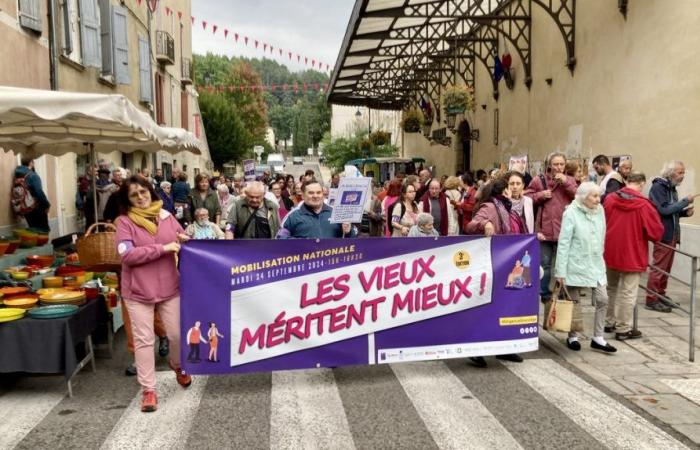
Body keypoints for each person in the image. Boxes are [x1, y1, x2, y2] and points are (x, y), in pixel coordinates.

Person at [115, 176, 191, 413]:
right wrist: (163, 248)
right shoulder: (124, 222)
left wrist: (186, 241)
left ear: (151, 192)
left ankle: (177, 365)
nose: (140, 197)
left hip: (169, 286)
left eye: (143, 191)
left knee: (177, 334)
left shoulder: (168, 218)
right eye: (134, 194)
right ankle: (149, 389)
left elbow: (181, 241)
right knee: (144, 341)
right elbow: (127, 255)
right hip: (137, 290)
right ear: (128, 200)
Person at [464, 176, 525, 365]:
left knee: (505, 307)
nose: (514, 189)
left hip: (508, 263)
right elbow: (470, 225)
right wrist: (485, 224)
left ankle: (504, 348)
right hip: (491, 262)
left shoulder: (509, 208)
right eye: (510, 187)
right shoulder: (490, 207)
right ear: (503, 191)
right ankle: (476, 349)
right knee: (487, 308)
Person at [555, 182, 617, 353]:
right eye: (594, 196)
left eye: (599, 196)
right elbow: (564, 243)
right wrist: (560, 271)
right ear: (583, 197)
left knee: (603, 298)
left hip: (595, 262)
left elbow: (602, 234)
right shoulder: (571, 213)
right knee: (574, 302)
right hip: (575, 262)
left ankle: (598, 337)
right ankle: (573, 336)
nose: (599, 200)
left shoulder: (600, 211)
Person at [604, 172, 664, 339]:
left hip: (611, 250)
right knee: (628, 292)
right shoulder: (644, 205)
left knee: (610, 288)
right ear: (642, 184)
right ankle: (623, 328)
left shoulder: (610, 199)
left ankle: (608, 322)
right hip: (633, 252)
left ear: (626, 181)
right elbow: (656, 233)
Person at [526, 152, 577, 302]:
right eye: (556, 164)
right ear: (549, 165)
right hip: (545, 230)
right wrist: (540, 195)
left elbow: (578, 196)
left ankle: (563, 292)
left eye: (561, 164)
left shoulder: (571, 180)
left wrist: (566, 182)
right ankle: (544, 293)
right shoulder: (538, 180)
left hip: (565, 230)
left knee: (564, 265)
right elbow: (526, 198)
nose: (559, 167)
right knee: (545, 264)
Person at [645, 161, 695, 312]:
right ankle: (651, 299)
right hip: (663, 233)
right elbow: (663, 210)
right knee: (659, 268)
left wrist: (684, 212)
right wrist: (685, 201)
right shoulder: (659, 187)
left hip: (672, 233)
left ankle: (661, 295)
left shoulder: (671, 188)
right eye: (680, 172)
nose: (683, 176)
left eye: (683, 172)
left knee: (666, 269)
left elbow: (671, 212)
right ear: (670, 172)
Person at [278, 180, 357, 239]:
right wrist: (301, 244)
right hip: (306, 260)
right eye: (311, 193)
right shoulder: (293, 216)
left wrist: (349, 232)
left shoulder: (336, 212)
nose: (315, 196)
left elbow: (353, 240)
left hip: (332, 260)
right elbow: (280, 238)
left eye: (318, 192)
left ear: (323, 194)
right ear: (302, 195)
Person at [13, 154, 51, 232]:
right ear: (31, 163)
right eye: (33, 162)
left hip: (26, 209)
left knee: (33, 232)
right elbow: (39, 192)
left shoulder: (18, 176)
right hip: (37, 208)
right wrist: (46, 205)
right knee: (43, 232)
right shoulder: (33, 176)